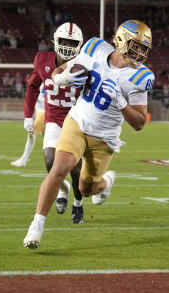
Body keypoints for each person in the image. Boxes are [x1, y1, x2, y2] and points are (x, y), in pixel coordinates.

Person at [23, 20, 154, 249]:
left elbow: (140, 123)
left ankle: (105, 183)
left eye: (143, 48)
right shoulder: (94, 48)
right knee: (59, 168)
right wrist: (62, 78)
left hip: (104, 137)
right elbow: (58, 71)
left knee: (86, 189)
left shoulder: (139, 76)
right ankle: (36, 226)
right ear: (121, 39)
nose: (140, 52)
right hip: (77, 122)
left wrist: (121, 102)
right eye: (137, 45)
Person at [22, 22, 86, 224]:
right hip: (53, 118)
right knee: (50, 160)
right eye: (64, 41)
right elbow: (33, 87)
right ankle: (61, 190)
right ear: (55, 42)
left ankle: (78, 203)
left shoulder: (84, 65)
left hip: (76, 121)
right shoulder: (43, 60)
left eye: (71, 42)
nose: (67, 45)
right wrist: (28, 115)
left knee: (76, 170)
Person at [11, 84, 45, 167]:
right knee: (35, 135)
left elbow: (43, 96)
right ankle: (24, 159)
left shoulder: (45, 80)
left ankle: (24, 159)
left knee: (32, 133)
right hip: (41, 113)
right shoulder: (41, 80)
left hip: (44, 113)